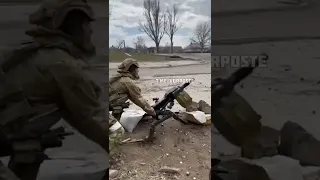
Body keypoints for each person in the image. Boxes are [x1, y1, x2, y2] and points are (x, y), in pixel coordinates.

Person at [0, 0, 109, 179]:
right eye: (85, 24)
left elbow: (82, 118)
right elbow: (92, 118)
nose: (90, 30)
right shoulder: (62, 66)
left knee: (33, 142)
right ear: (73, 28)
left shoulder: (33, 55)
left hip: (8, 132)